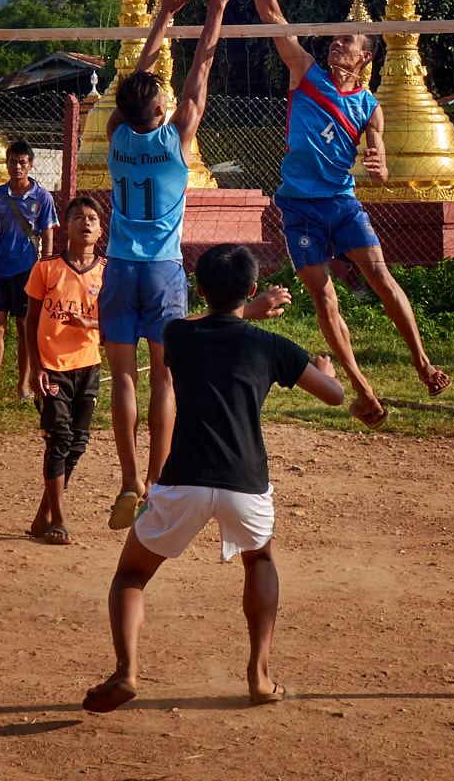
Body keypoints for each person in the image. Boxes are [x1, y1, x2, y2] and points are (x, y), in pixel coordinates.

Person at [83, 243, 344, 713]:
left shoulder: (178, 335)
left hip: (183, 479)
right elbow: (333, 396)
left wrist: (247, 311)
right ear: (251, 288)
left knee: (130, 575)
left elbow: (209, 330)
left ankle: (126, 671)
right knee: (260, 562)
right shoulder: (273, 347)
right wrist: (325, 368)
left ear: (198, 290)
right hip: (245, 482)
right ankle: (260, 675)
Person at [250, 0, 451, 429]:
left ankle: (423, 361)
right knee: (323, 294)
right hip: (298, 206)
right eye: (335, 39)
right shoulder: (305, 74)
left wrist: (378, 165)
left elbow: (379, 175)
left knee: (381, 276)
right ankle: (362, 390)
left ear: (364, 59)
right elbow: (272, 15)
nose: (336, 44)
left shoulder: (370, 107)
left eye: (347, 42)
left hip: (342, 202)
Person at [100, 0, 247, 530]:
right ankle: (158, 480)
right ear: (160, 111)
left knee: (123, 379)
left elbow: (134, 82)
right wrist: (214, 7)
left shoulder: (114, 136)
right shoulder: (175, 136)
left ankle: (129, 479)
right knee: (164, 377)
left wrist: (161, 14)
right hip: (161, 269)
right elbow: (200, 69)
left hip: (117, 270)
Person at [24, 196, 106, 545]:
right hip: (52, 369)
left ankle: (44, 514)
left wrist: (88, 321)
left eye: (92, 219)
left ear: (101, 229)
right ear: (65, 226)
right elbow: (29, 322)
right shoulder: (46, 268)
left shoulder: (108, 271)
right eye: (77, 218)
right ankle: (58, 517)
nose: (85, 223)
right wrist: (35, 366)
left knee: (78, 443)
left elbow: (115, 324)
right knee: (59, 439)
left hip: (88, 367)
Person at [0, 140, 58, 399]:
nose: (17, 167)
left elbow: (48, 237)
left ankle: (23, 386)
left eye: (22, 162)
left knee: (25, 327)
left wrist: (45, 272)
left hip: (29, 271)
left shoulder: (43, 197)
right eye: (12, 161)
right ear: (6, 164)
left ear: (31, 165)